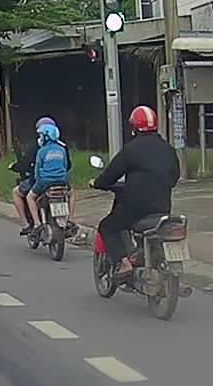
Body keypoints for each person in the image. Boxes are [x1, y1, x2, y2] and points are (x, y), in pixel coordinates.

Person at [92, 105, 181, 278]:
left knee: (107, 226)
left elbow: (110, 175)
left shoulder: (131, 150)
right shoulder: (168, 149)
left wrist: (97, 183)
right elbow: (174, 177)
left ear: (134, 127)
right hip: (162, 207)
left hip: (136, 209)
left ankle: (124, 263)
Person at [26, 122, 74, 231]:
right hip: (62, 181)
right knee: (72, 195)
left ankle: (37, 224)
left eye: (41, 135)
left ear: (46, 136)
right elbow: (65, 166)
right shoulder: (62, 150)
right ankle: (70, 220)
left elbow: (37, 170)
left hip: (45, 182)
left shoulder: (41, 151)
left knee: (30, 197)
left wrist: (37, 182)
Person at [11, 117, 51, 234]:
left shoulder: (38, 149)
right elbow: (68, 165)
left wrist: (16, 166)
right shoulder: (61, 147)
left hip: (40, 182)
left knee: (21, 194)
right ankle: (69, 220)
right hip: (62, 182)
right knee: (71, 193)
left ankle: (30, 224)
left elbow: (30, 166)